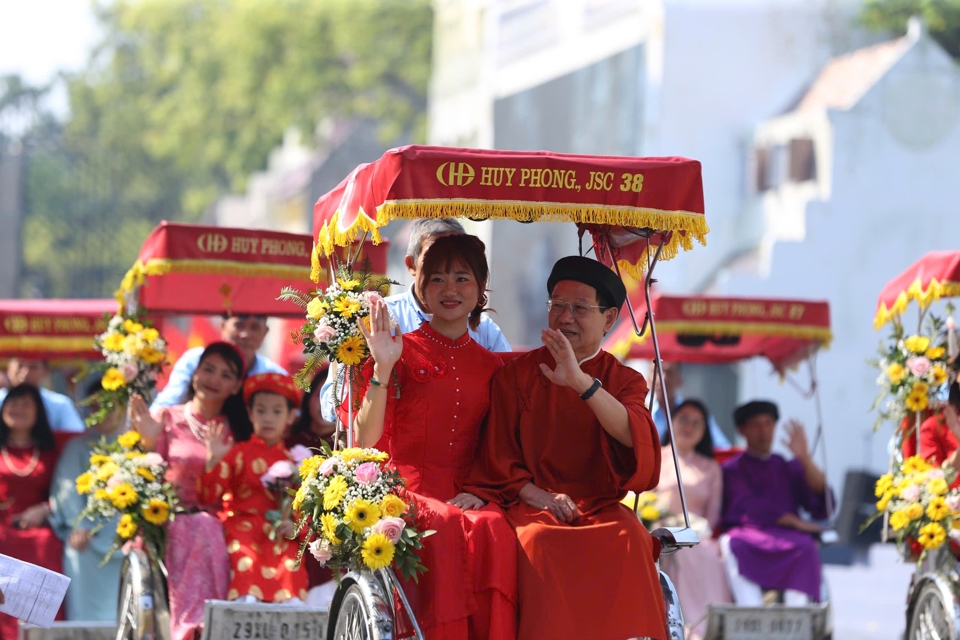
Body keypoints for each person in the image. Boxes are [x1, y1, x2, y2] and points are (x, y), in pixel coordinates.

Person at [464, 255, 666, 640]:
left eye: (579, 308)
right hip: (534, 505)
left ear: (608, 319)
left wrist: (579, 382)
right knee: (540, 542)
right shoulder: (517, 375)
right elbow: (498, 460)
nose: (565, 316)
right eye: (557, 305)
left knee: (633, 538)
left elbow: (636, 437)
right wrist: (541, 496)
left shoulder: (623, 379)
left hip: (599, 506)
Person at [350, 234, 517, 640]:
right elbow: (365, 439)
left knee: (494, 526)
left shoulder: (493, 366)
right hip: (404, 488)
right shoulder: (397, 350)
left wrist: (480, 488)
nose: (450, 290)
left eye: (462, 279)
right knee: (442, 522)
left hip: (467, 490)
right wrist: (383, 367)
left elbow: (499, 445)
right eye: (437, 278)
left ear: (480, 290)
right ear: (420, 288)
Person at [319, 218, 512, 422]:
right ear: (412, 265)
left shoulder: (486, 332)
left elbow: (509, 401)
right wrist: (381, 375)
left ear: (479, 283)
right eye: (436, 268)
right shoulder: (375, 320)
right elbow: (335, 409)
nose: (450, 289)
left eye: (461, 275)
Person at [129, 342, 248, 640]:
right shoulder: (167, 418)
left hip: (223, 523)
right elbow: (149, 475)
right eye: (208, 369)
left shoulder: (239, 431)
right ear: (195, 373)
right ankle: (191, 627)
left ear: (235, 386)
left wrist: (216, 462)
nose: (214, 379)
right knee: (199, 525)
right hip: (169, 521)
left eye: (225, 375)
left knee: (207, 525)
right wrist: (146, 443)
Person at [200, 373, 307, 604]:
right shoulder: (238, 453)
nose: (268, 418)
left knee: (291, 563)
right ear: (250, 413)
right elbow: (208, 496)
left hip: (280, 533)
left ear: (291, 416)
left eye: (277, 411)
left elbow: (304, 506)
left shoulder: (297, 460)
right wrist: (213, 460)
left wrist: (297, 527)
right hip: (241, 527)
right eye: (261, 411)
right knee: (245, 559)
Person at [719, 400, 830, 606]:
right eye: (756, 425)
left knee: (806, 546)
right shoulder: (732, 469)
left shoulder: (785, 465)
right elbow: (746, 507)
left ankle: (795, 618)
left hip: (788, 538)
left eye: (769, 423)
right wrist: (795, 522)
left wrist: (805, 458)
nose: (764, 431)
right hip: (748, 535)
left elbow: (820, 496)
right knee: (733, 545)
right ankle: (750, 613)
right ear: (742, 430)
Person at [48, 377, 125, 622]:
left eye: (109, 405)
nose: (102, 413)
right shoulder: (77, 447)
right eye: (95, 406)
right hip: (88, 540)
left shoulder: (137, 445)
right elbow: (67, 490)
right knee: (77, 551)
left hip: (128, 538)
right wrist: (79, 526)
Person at [656, 399, 731, 640]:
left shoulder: (711, 468)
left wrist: (697, 531)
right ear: (672, 422)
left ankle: (706, 627)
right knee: (673, 551)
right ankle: (681, 625)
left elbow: (713, 515)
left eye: (697, 422)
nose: (689, 426)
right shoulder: (654, 457)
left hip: (698, 536)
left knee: (708, 553)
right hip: (660, 533)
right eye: (684, 419)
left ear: (705, 430)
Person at [0, 384, 64, 638]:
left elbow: (63, 494)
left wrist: (46, 509)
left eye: (26, 404)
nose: (19, 409)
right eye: (13, 403)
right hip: (2, 535)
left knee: (48, 543)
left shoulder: (51, 453)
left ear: (38, 411)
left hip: (40, 533)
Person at [151, 314, 287, 415]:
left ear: (265, 333)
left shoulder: (276, 376)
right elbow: (168, 403)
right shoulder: (195, 359)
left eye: (255, 328)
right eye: (239, 325)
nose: (246, 334)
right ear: (223, 326)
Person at [286, 371, 337, 606]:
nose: (329, 403)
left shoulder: (348, 447)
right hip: (288, 530)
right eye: (322, 395)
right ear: (308, 399)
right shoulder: (288, 441)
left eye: (338, 396)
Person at [649, 361, 730, 448]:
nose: (663, 378)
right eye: (657, 372)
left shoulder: (694, 412)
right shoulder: (639, 409)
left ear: (680, 380)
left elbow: (723, 447)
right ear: (647, 378)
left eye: (669, 373)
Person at [0, 359, 85, 433]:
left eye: (33, 367)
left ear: (46, 371)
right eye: (20, 365)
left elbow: (75, 437)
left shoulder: (60, 404)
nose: (25, 374)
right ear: (9, 368)